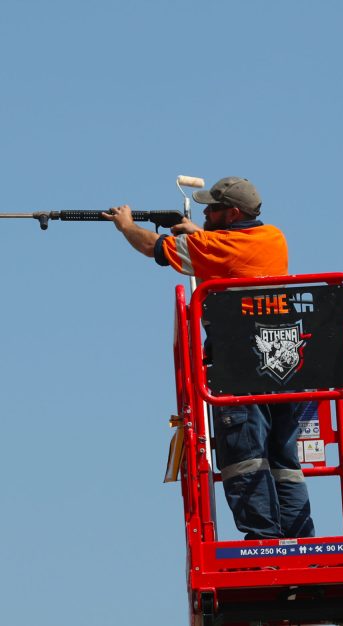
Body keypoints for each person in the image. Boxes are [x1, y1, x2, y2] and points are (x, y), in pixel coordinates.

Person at [103, 177, 314, 540]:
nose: (204, 212)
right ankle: (300, 541)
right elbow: (231, 252)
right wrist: (201, 234)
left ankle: (264, 544)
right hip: (282, 364)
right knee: (283, 461)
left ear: (232, 213)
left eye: (212, 208)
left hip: (239, 367)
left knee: (244, 457)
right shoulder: (273, 238)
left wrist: (125, 225)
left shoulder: (211, 247)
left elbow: (153, 246)